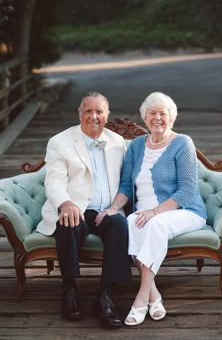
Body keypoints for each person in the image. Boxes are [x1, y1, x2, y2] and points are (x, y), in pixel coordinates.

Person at [96, 91, 207, 326]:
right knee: (129, 223)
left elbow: (187, 191)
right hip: (144, 213)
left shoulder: (182, 143)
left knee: (153, 224)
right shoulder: (136, 146)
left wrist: (154, 211)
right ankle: (154, 296)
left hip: (183, 211)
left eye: (163, 114)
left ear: (172, 118)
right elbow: (126, 185)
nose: (158, 118)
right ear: (145, 118)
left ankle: (140, 298)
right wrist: (114, 208)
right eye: (152, 113)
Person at [37, 92, 132, 328]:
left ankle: (106, 296)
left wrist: (114, 208)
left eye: (99, 111)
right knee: (67, 223)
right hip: (76, 207)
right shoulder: (60, 141)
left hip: (106, 211)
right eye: (88, 111)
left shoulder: (117, 142)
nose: (94, 116)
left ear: (107, 115)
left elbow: (126, 182)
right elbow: (54, 181)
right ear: (80, 114)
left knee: (120, 225)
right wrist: (65, 203)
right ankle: (69, 289)